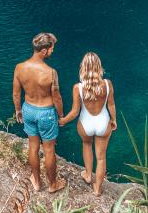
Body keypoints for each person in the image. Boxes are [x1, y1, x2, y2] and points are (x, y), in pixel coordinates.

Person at [13, 32, 66, 193]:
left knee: (33, 146)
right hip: (46, 113)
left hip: (28, 109)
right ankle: (52, 184)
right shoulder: (51, 72)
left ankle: (36, 181)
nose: (52, 52)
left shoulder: (20, 67)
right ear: (44, 50)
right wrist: (61, 116)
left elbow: (16, 93)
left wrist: (18, 110)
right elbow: (56, 97)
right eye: (51, 49)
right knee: (49, 150)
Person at [59, 52, 117, 196]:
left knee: (86, 145)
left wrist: (63, 121)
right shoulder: (107, 84)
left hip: (85, 124)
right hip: (103, 123)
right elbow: (111, 105)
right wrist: (114, 120)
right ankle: (97, 189)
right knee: (101, 157)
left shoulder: (77, 87)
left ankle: (88, 175)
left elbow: (74, 112)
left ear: (83, 68)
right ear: (99, 67)